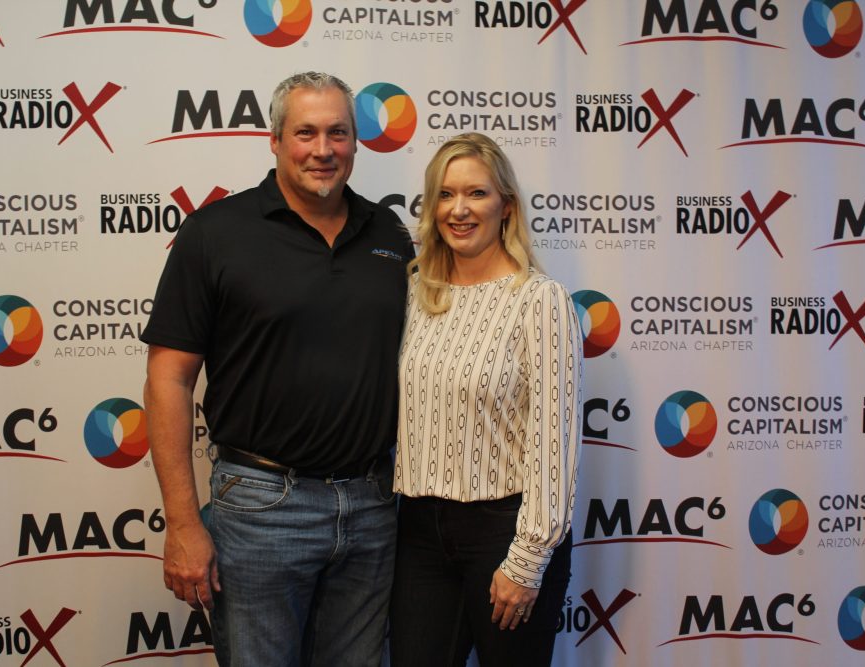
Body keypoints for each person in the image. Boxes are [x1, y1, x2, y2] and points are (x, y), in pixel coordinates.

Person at [140, 72, 413, 666]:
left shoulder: (390, 235)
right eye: (305, 133)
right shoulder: (215, 233)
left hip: (372, 506)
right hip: (261, 508)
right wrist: (182, 523)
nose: (323, 150)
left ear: (356, 141)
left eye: (338, 133)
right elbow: (169, 378)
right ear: (275, 140)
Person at [390, 133, 582, 666]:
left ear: (507, 206)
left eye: (476, 193)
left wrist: (527, 559)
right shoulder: (418, 293)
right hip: (419, 530)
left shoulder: (539, 299)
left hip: (506, 529)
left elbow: (556, 440)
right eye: (445, 194)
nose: (459, 209)